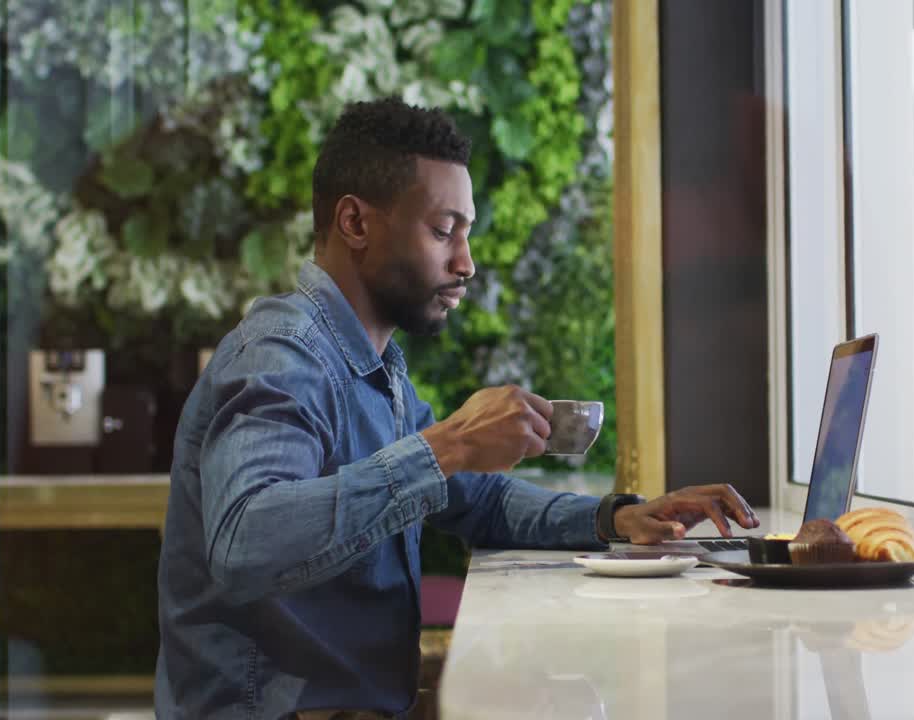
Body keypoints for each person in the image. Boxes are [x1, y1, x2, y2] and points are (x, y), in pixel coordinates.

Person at [154, 98, 760, 719]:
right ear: (355, 223)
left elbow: (477, 498)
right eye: (444, 232)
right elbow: (244, 544)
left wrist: (618, 518)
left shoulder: (374, 366)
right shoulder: (281, 356)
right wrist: (449, 445)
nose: (466, 263)